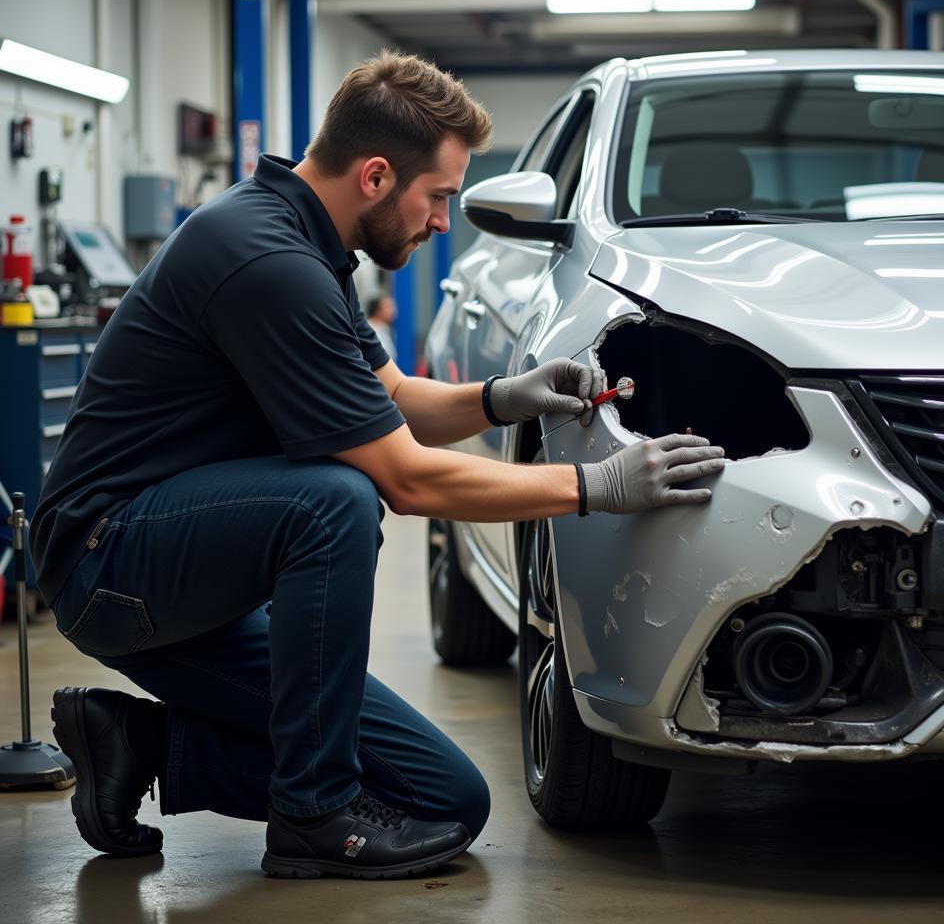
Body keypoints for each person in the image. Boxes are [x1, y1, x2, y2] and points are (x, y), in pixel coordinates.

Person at [30, 51, 725, 880]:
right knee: (335, 499)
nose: (442, 222)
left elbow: (389, 396)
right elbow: (408, 478)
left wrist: (506, 397)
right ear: (374, 176)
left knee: (447, 798)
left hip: (192, 580)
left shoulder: (309, 249)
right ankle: (313, 818)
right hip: (112, 566)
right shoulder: (266, 262)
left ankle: (141, 746)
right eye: (437, 197)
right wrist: (596, 486)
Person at [365, 293, 397, 362]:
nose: (393, 310)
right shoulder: (368, 331)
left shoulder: (384, 329)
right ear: (377, 310)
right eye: (388, 307)